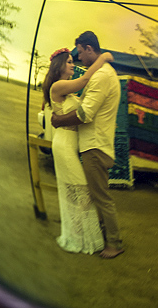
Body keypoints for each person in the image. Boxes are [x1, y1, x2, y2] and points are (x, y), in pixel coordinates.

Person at [51, 31, 124, 259]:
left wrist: (58, 121)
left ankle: (114, 243)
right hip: (90, 145)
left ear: (89, 49)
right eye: (73, 58)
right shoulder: (100, 74)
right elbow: (82, 87)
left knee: (100, 197)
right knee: (90, 193)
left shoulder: (102, 76)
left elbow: (84, 114)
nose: (79, 59)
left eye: (80, 53)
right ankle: (97, 235)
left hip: (95, 146)